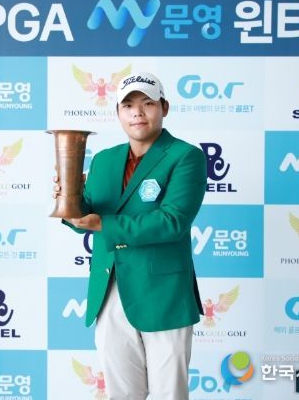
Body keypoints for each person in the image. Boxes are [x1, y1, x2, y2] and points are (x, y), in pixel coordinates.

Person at [54, 72, 206, 399]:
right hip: (110, 290)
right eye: (128, 105)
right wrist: (68, 200)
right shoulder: (104, 159)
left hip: (164, 294)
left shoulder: (185, 156)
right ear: (118, 113)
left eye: (147, 103)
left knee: (169, 394)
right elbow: (85, 216)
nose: (137, 112)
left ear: (164, 108)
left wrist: (103, 224)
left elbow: (172, 221)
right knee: (121, 394)